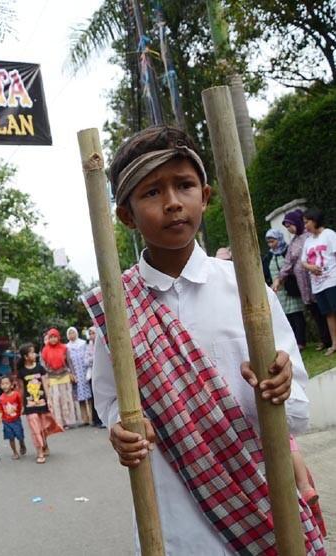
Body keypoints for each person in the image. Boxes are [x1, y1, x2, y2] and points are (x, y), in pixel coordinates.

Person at [86, 125, 323, 553]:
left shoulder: (248, 290)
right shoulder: (118, 309)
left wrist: (281, 387)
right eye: (152, 192)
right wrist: (118, 427)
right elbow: (108, 399)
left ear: (206, 196)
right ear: (126, 216)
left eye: (184, 185)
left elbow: (297, 414)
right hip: (173, 518)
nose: (173, 202)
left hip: (259, 504)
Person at [278, 209, 331, 351]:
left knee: (327, 311)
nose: (289, 229)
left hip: (319, 280)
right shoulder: (293, 242)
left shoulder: (311, 237)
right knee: (316, 313)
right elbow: (288, 263)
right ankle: (325, 339)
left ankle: (331, 339)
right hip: (305, 286)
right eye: (286, 227)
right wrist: (279, 280)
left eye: (290, 225)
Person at [19, 343, 63, 464]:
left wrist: (49, 400)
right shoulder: (21, 372)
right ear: (25, 356)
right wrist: (21, 405)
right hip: (29, 405)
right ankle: (39, 451)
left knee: (42, 427)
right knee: (35, 428)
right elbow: (21, 389)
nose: (35, 354)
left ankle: (45, 444)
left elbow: (45, 385)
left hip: (42, 402)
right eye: (32, 353)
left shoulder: (40, 368)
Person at [263, 229, 307, 350]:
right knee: (287, 317)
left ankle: (301, 341)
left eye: (273, 241)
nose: (271, 244)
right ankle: (292, 342)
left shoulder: (288, 251)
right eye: (269, 242)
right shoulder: (269, 256)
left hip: (290, 289)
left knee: (296, 314)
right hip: (278, 291)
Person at [301, 207, 336, 355]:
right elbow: (303, 261)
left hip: (332, 280)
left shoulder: (329, 234)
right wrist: (310, 267)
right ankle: (334, 344)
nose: (305, 225)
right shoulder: (308, 241)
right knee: (328, 314)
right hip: (317, 284)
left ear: (314, 220)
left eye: (306, 222)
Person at [40, 329, 77, 428]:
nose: (53, 339)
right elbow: (43, 366)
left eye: (54, 337)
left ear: (58, 337)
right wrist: (46, 377)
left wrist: (73, 374)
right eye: (50, 337)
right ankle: (58, 422)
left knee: (66, 399)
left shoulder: (64, 348)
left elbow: (69, 362)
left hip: (64, 375)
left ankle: (68, 421)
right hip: (52, 377)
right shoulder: (45, 350)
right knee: (55, 400)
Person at [66, 327, 94, 425]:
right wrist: (71, 374)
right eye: (70, 333)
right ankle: (85, 419)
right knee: (80, 398)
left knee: (89, 396)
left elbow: (87, 356)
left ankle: (92, 417)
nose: (72, 335)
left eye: (73, 332)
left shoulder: (83, 344)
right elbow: (68, 362)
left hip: (85, 372)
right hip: (76, 374)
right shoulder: (67, 347)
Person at [0, 375, 26, 459]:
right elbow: (0, 410)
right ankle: (15, 452)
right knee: (11, 437)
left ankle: (22, 443)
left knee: (20, 435)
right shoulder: (1, 398)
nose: (4, 385)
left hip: (16, 420)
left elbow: (21, 404)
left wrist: (22, 410)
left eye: (7, 383)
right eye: (2, 384)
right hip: (6, 421)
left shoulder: (16, 394)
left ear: (12, 385)